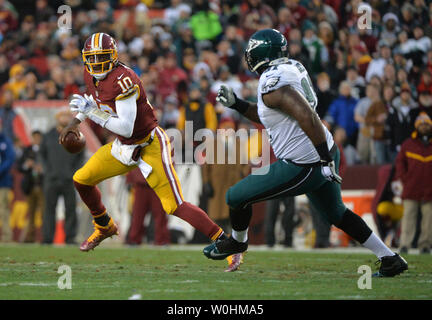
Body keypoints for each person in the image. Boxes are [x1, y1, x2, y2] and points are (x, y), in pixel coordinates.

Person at [203, 29, 408, 277]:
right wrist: (237, 104)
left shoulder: (272, 82)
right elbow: (273, 114)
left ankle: (237, 242)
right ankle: (389, 258)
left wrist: (324, 159)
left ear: (260, 52)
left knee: (236, 196)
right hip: (323, 151)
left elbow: (305, 115)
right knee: (337, 214)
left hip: (305, 162)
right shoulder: (290, 68)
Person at [59, 33, 241, 271]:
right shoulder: (92, 75)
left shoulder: (124, 80)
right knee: (81, 179)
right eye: (91, 59)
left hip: (150, 144)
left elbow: (124, 125)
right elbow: (94, 103)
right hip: (123, 147)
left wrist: (92, 113)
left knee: (174, 206)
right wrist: (76, 121)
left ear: (113, 57)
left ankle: (227, 243)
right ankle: (104, 225)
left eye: (101, 58)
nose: (96, 64)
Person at [40, 110, 83, 244]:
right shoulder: (48, 135)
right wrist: (47, 171)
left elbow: (80, 156)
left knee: (70, 209)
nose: (64, 119)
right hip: (51, 178)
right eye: (62, 116)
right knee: (48, 209)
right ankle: (47, 238)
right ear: (57, 118)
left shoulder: (75, 135)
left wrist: (73, 172)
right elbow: (41, 155)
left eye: (67, 116)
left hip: (68, 179)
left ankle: (70, 237)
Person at [395, 112, 432, 254]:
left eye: (427, 124)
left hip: (429, 190)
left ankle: (425, 245)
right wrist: (404, 179)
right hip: (411, 188)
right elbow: (400, 163)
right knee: (408, 218)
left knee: (428, 220)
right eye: (421, 124)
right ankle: (405, 244)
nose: (424, 126)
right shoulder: (408, 144)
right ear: (417, 126)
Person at [17, 130, 44, 242]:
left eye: (39, 137)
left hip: (42, 186)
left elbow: (50, 165)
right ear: (32, 138)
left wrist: (42, 169)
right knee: (30, 214)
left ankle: (45, 237)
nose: (37, 140)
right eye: (35, 137)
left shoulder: (45, 150)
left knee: (44, 213)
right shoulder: (26, 150)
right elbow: (19, 166)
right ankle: (30, 238)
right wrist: (26, 165)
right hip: (30, 186)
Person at [0, 118, 15, 242]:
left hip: (2, 181)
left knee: (3, 209)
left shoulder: (6, 141)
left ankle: (6, 237)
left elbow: (10, 159)